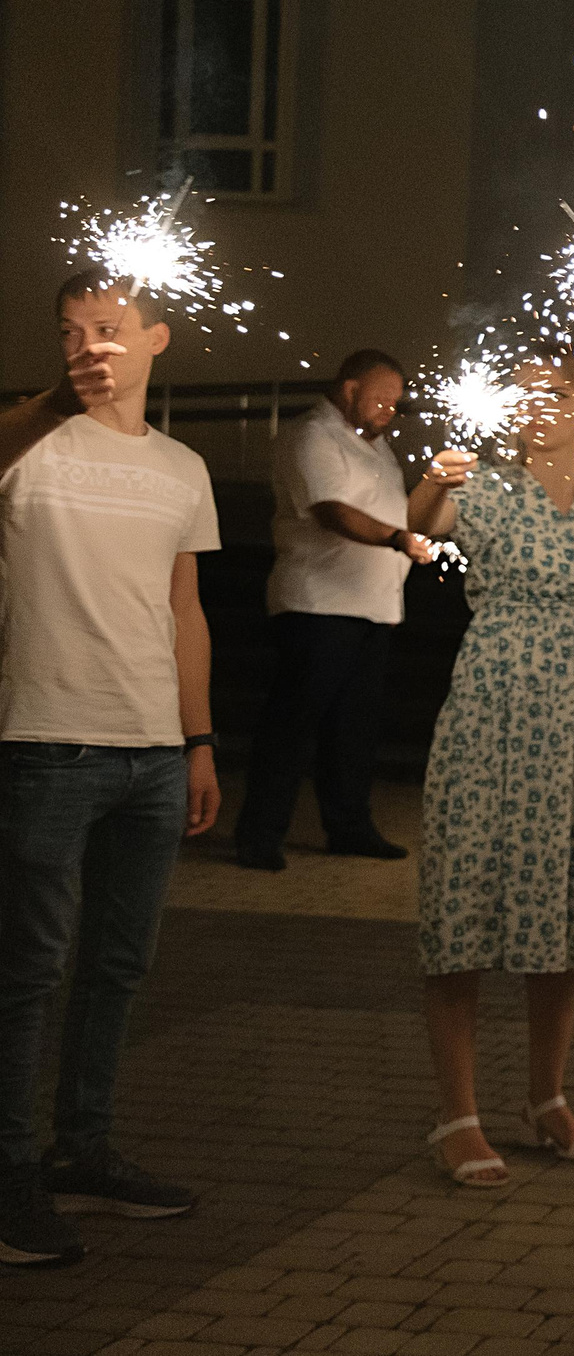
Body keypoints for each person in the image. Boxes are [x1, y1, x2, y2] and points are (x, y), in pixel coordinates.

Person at [0, 272, 222, 1267]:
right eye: (73, 329)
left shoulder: (183, 467)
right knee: (27, 970)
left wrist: (199, 738)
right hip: (46, 739)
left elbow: (183, 608)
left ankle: (80, 1151)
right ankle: (8, 1186)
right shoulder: (30, 440)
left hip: (151, 752)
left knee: (117, 965)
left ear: (156, 339)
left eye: (110, 327)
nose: (92, 342)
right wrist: (54, 401)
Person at [402, 354, 574, 1189]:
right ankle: (457, 1113)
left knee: (565, 908)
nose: (534, 405)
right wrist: (435, 478)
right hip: (496, 706)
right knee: (467, 899)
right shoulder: (487, 490)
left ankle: (547, 1097)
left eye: (554, 392)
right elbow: (424, 524)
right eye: (521, 392)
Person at [238, 349, 432, 871]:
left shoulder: (377, 447)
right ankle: (260, 833)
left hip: (373, 608)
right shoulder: (313, 436)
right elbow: (333, 512)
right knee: (293, 724)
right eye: (381, 398)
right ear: (349, 389)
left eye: (396, 401)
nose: (390, 409)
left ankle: (348, 826)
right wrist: (396, 537)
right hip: (318, 605)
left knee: (354, 728)